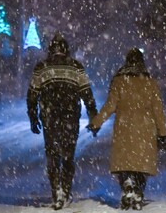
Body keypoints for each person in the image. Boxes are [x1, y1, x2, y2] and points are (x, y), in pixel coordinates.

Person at [87, 48, 166, 211]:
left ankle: (127, 186)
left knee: (125, 163)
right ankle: (138, 192)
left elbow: (110, 106)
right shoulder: (150, 82)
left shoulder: (119, 81)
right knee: (141, 164)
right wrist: (163, 132)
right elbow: (158, 109)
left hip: (124, 127)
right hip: (145, 128)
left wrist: (96, 122)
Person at [27, 33, 98, 210]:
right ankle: (65, 190)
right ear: (66, 50)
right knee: (68, 154)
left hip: (49, 117)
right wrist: (93, 116)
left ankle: (55, 190)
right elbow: (86, 93)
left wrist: (33, 117)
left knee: (52, 155)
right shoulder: (76, 67)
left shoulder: (41, 67)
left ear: (51, 49)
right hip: (70, 117)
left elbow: (32, 95)